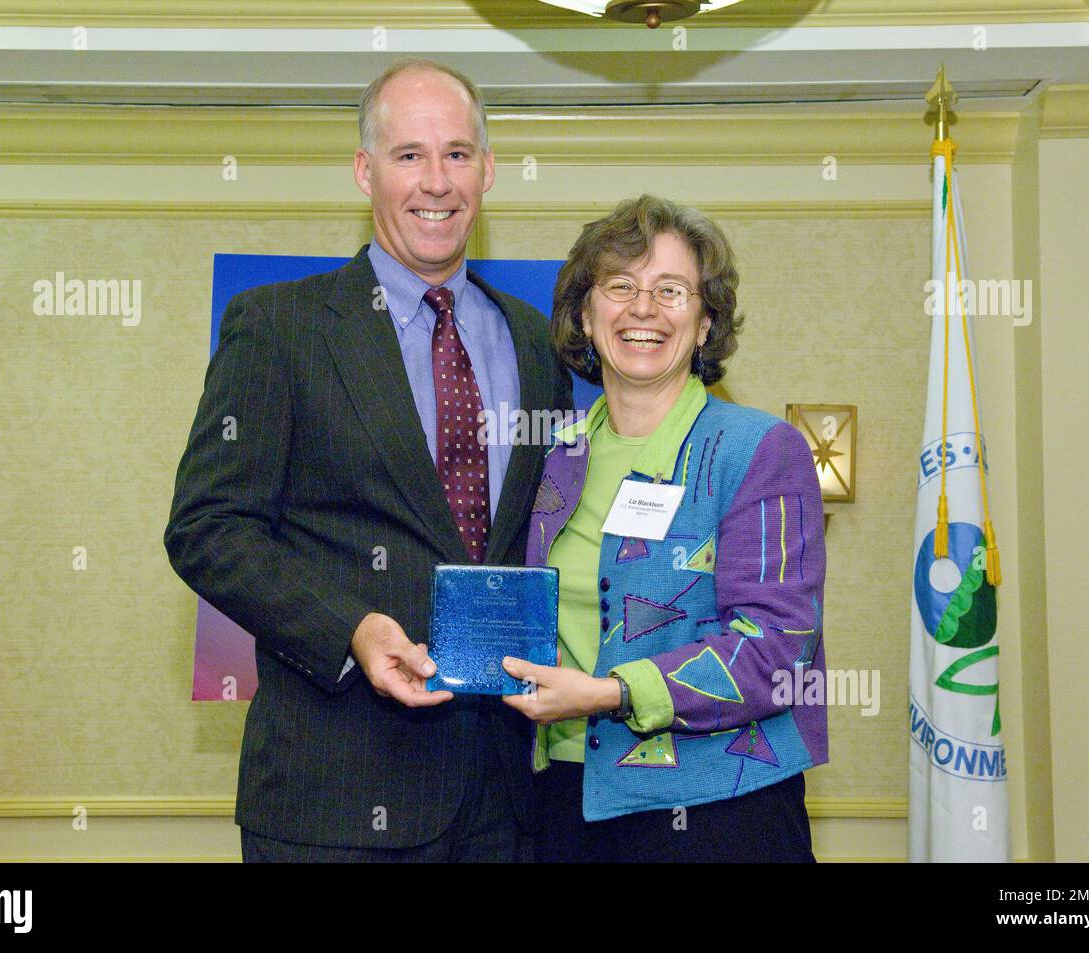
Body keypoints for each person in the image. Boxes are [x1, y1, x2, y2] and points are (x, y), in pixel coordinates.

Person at [164, 58, 573, 862]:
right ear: (364, 171)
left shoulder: (535, 341)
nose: (437, 181)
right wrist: (347, 628)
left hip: (505, 804)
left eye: (457, 154)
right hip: (334, 800)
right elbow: (207, 527)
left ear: (488, 172)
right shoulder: (280, 328)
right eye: (409, 155)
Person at [502, 194, 828, 862]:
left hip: (721, 810)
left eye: (671, 290)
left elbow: (775, 647)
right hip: (562, 803)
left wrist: (613, 691)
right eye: (620, 286)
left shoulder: (758, 448)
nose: (643, 309)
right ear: (586, 316)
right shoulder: (551, 456)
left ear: (707, 323)